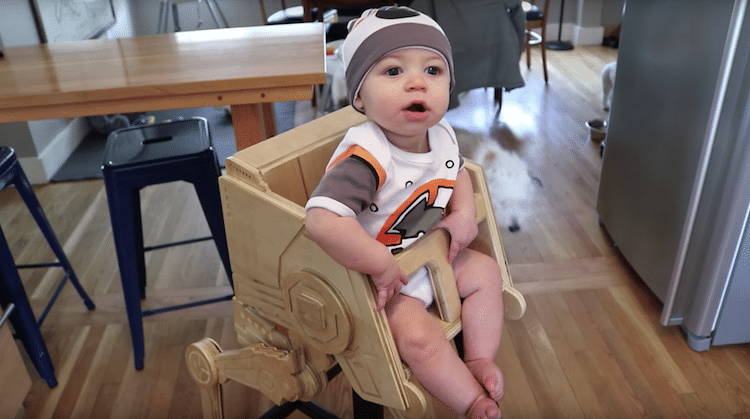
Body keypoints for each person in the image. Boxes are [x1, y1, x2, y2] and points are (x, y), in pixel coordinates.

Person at [304, 6, 505, 419]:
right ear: (359, 95)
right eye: (393, 72)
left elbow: (456, 172)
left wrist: (464, 213)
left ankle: (479, 358)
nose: (417, 82)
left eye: (433, 71)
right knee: (419, 338)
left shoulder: (441, 134)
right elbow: (322, 220)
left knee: (486, 273)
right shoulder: (366, 158)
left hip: (428, 257)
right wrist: (377, 264)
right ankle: (470, 402)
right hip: (378, 282)